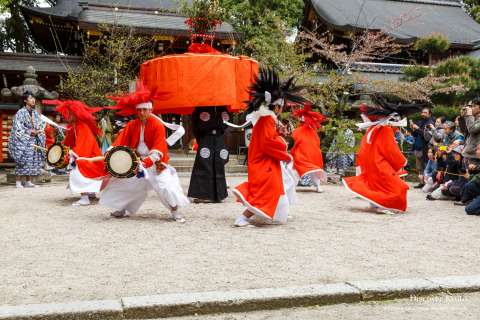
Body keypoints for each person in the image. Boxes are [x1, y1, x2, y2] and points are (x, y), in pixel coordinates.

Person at [99, 83, 189, 221]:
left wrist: (146, 162)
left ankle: (175, 211)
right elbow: (121, 141)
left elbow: (159, 148)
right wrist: (111, 153)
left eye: (144, 110)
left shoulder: (157, 125)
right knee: (125, 184)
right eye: (139, 110)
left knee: (165, 186)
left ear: (150, 109)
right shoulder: (132, 125)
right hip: (137, 162)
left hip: (155, 163)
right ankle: (122, 208)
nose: (141, 112)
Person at [232, 68, 306, 227]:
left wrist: (278, 133)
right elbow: (267, 143)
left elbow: (267, 138)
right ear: (277, 107)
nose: (282, 110)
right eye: (282, 107)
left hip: (264, 160)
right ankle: (243, 218)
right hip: (264, 162)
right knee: (267, 190)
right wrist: (284, 144)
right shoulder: (267, 120)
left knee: (279, 187)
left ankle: (274, 214)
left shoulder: (267, 119)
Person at [343, 95, 424, 214]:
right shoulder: (384, 129)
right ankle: (383, 205)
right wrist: (402, 161)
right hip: (378, 163)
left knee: (376, 185)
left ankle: (375, 204)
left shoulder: (374, 128)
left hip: (371, 162)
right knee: (396, 187)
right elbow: (390, 150)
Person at [53, 100, 106, 206]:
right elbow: (68, 142)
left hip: (89, 156)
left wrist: (74, 154)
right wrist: (59, 150)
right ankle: (90, 193)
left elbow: (84, 145)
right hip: (88, 155)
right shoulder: (75, 126)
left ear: (74, 114)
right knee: (80, 170)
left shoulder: (82, 126)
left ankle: (85, 197)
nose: (66, 116)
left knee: (77, 172)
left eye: (68, 114)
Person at [187, 106, 229, 203]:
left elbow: (226, 125)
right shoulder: (200, 107)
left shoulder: (223, 106)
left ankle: (219, 195)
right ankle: (202, 195)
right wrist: (201, 139)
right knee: (203, 164)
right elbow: (195, 125)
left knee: (219, 164)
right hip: (205, 138)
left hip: (219, 139)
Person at [8, 91, 46, 188]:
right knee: (22, 159)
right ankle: (18, 181)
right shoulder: (20, 112)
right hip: (24, 140)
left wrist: (39, 130)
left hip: (33, 139)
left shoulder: (35, 113)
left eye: (33, 98)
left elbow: (41, 123)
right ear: (25, 100)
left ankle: (28, 181)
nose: (33, 100)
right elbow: (17, 127)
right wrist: (30, 131)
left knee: (31, 160)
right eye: (30, 98)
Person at [291, 104, 327, 193]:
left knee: (295, 171)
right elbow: (317, 143)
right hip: (313, 155)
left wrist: (291, 153)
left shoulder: (297, 131)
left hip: (302, 155)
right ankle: (318, 186)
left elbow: (293, 144)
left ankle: (292, 187)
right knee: (314, 171)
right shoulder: (313, 131)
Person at [410, 107, 434, 189]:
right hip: (417, 147)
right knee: (419, 167)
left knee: (425, 165)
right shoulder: (420, 122)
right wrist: (413, 129)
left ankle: (426, 183)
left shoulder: (430, 123)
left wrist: (418, 129)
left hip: (425, 148)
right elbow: (415, 135)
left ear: (429, 114)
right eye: (422, 112)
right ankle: (421, 182)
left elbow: (427, 136)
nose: (423, 114)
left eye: (425, 112)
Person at [462, 98, 480, 166]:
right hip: (469, 154)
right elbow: (465, 131)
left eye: (474, 106)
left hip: (475, 156)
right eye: (471, 106)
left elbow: (472, 129)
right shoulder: (474, 118)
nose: (472, 108)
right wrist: (465, 116)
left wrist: (469, 115)